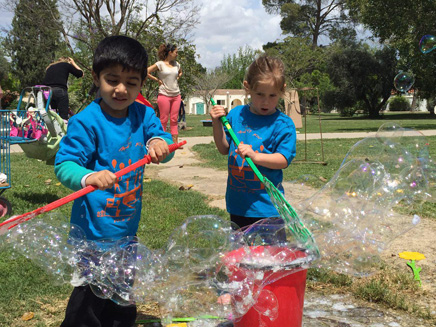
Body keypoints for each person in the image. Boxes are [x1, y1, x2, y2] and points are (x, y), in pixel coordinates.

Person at [55, 35, 174, 327]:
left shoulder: (144, 114)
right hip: (92, 235)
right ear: (96, 77)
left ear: (141, 85)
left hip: (125, 230)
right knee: (88, 303)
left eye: (131, 82)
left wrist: (159, 143)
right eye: (112, 80)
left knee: (122, 298)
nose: (121, 89)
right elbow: (64, 164)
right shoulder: (86, 121)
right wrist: (88, 176)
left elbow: (165, 141)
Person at [209, 55, 296, 230]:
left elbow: (283, 160)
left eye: (273, 95)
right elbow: (224, 148)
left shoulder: (283, 124)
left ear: (282, 90)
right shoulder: (236, 115)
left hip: (268, 208)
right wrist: (216, 123)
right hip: (238, 205)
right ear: (247, 88)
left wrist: (255, 156)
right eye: (259, 94)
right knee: (242, 254)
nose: (266, 101)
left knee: (271, 256)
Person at [147, 43, 182, 144]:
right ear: (170, 52)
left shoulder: (177, 64)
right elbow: (146, 71)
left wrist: (178, 77)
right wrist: (157, 79)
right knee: (163, 119)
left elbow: (180, 72)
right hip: (164, 94)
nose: (177, 54)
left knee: (174, 119)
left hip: (176, 95)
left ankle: (175, 143)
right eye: (176, 52)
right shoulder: (160, 64)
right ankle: (162, 142)